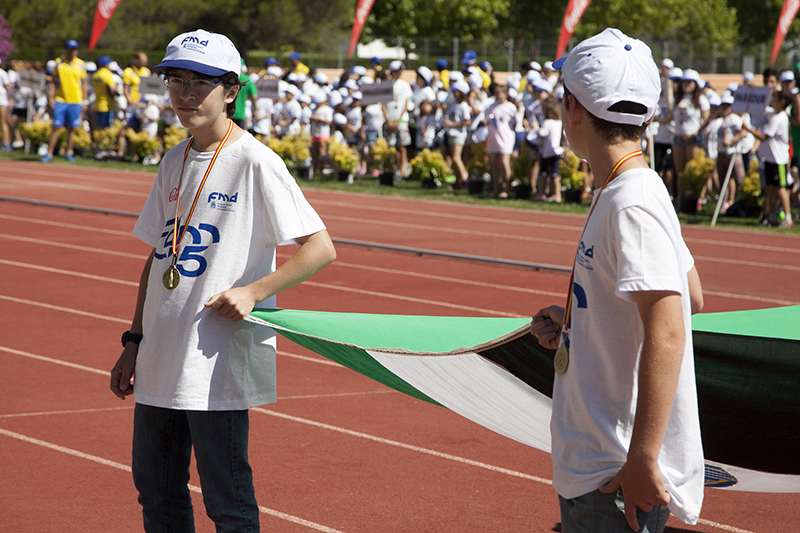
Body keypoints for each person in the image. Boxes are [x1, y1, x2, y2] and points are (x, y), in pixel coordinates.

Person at [109, 29, 336, 531]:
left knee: (228, 503)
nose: (186, 94)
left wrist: (255, 292)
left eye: (200, 83)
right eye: (176, 81)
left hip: (216, 360)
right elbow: (157, 255)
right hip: (160, 355)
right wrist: (133, 341)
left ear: (231, 90)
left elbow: (321, 248)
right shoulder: (173, 159)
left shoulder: (255, 160)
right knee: (157, 494)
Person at [530, 28, 705, 533]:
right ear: (649, 116)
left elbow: (670, 327)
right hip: (601, 462)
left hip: (612, 470)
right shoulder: (637, 189)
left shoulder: (631, 202)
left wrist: (643, 459)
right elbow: (690, 294)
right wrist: (581, 323)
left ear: (575, 110)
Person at [743, 90, 794, 228]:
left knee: (780, 189)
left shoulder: (780, 118)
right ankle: (770, 216)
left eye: (775, 98)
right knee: (770, 189)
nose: (772, 100)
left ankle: (787, 218)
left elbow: (764, 137)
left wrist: (747, 129)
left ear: (782, 102)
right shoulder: (775, 115)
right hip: (770, 159)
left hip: (779, 159)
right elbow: (764, 110)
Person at [41, 39, 88, 163]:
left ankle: (69, 152)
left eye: (74, 49)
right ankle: (50, 153)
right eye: (70, 49)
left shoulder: (81, 64)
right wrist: (51, 98)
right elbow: (53, 81)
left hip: (75, 100)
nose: (72, 52)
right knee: (56, 126)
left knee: (71, 128)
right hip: (60, 100)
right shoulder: (59, 63)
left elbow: (84, 84)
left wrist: (85, 101)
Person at [484, 84, 517, 198]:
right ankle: (496, 188)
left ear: (505, 94)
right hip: (493, 138)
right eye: (496, 92)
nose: (497, 95)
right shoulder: (491, 106)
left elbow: (515, 123)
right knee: (493, 163)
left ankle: (506, 188)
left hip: (505, 137)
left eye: (499, 92)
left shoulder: (511, 107)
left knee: (504, 162)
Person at [91, 56, 119, 131]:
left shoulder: (95, 75)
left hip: (97, 104)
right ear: (106, 65)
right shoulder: (107, 74)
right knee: (106, 129)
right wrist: (118, 93)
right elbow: (113, 90)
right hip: (107, 105)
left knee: (98, 128)